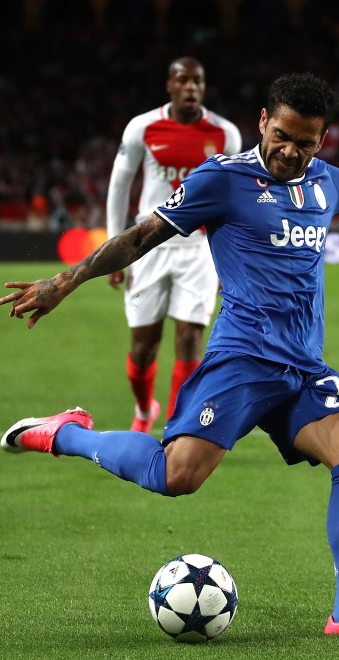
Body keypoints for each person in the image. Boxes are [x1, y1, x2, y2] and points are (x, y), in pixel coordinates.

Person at [0, 73, 339, 638]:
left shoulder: (327, 182)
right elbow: (142, 234)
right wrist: (65, 281)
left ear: (322, 140)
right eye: (282, 136)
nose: (291, 151)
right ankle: (65, 433)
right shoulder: (222, 179)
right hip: (243, 359)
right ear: (263, 122)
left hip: (303, 365)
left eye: (306, 142)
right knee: (175, 475)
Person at [106, 57, 242, 433]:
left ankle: (175, 429)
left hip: (199, 248)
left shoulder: (225, 134)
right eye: (183, 80)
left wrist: (228, 260)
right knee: (143, 346)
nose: (191, 87)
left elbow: (232, 199)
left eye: (197, 81)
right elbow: (119, 185)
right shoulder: (143, 127)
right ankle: (144, 409)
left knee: (190, 338)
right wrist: (115, 250)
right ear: (170, 85)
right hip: (148, 244)